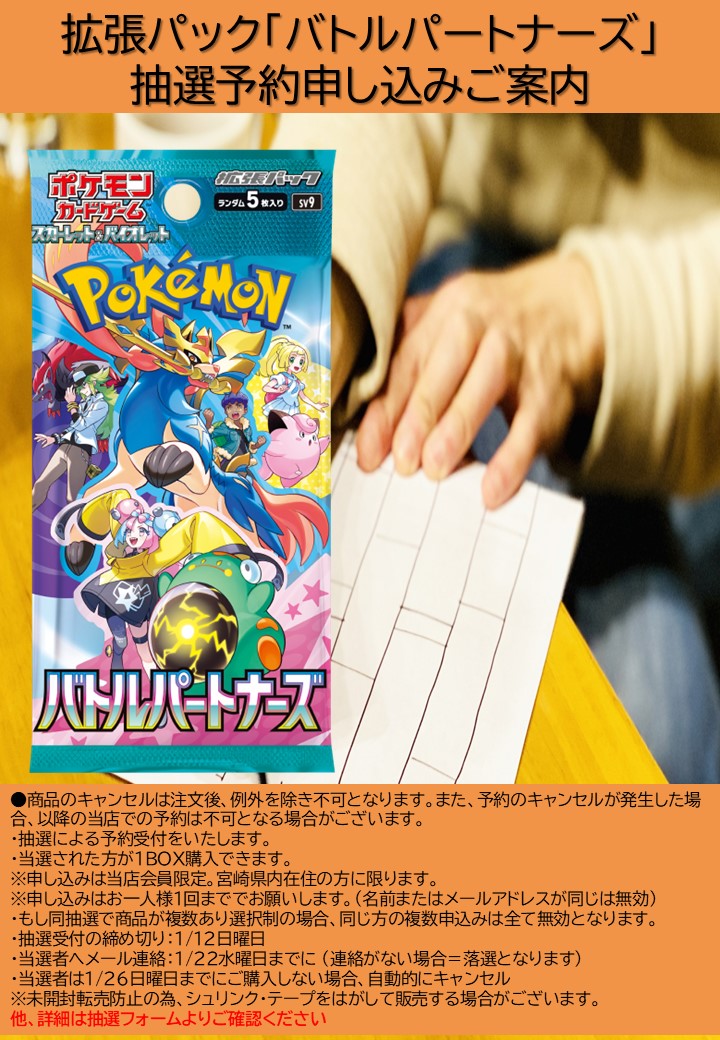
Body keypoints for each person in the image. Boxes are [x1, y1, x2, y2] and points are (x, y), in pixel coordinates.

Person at [271, 112, 720, 781]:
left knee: (658, 733)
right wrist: (319, 284)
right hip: (444, 245)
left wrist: (589, 313)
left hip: (677, 327)